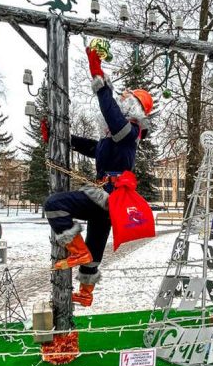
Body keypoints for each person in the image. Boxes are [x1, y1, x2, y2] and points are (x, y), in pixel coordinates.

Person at [42, 46, 154, 308]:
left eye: (126, 97)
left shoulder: (129, 131)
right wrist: (61, 139)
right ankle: (86, 291)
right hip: (109, 200)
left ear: (133, 107)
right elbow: (93, 148)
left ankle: (77, 251)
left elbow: (110, 111)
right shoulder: (116, 138)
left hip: (107, 196)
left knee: (54, 205)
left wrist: (100, 79)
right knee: (96, 245)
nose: (122, 97)